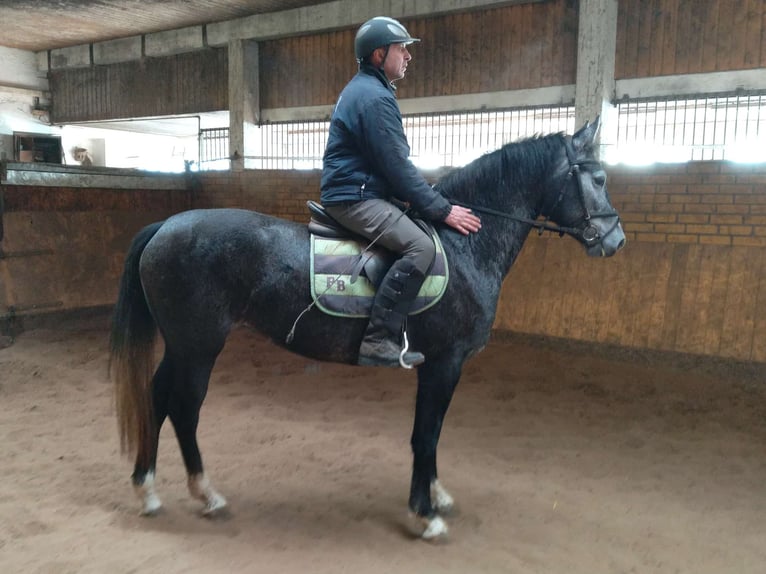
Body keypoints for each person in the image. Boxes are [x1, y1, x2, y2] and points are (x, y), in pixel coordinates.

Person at [320, 16, 482, 368]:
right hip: (355, 197)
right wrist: (442, 209)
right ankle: (379, 338)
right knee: (420, 247)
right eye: (401, 49)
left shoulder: (367, 90)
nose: (408, 56)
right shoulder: (375, 99)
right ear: (379, 55)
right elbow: (397, 168)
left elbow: (392, 167)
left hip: (360, 190)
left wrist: (423, 198)